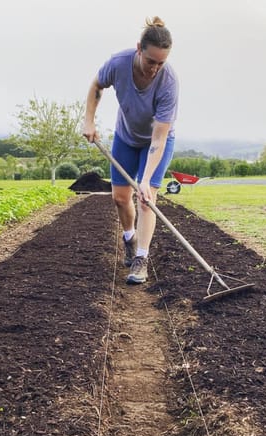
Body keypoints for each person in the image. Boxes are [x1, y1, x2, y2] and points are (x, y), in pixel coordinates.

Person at [83, 16, 179, 284]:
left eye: (161, 63)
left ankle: (141, 259)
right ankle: (129, 238)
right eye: (151, 61)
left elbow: (159, 140)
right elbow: (96, 86)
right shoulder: (118, 63)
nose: (155, 69)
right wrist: (88, 120)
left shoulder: (168, 82)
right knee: (120, 198)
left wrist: (146, 180)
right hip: (125, 137)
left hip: (156, 142)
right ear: (139, 49)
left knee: (146, 200)